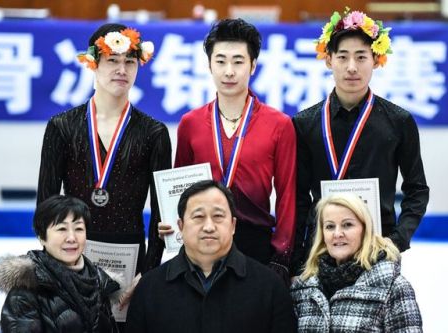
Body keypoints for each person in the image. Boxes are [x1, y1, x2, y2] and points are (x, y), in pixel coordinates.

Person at [37, 23, 172, 297]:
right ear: (92, 63)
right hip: (72, 256)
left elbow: (162, 213)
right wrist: (53, 267)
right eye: (112, 60)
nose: (122, 70)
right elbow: (46, 206)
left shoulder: (154, 133)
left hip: (130, 259)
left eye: (130, 62)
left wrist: (148, 273)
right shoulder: (62, 126)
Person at [291, 9, 429, 274]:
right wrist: (298, 256)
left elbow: (417, 190)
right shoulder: (304, 123)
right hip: (321, 252)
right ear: (328, 59)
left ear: (376, 60)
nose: (352, 67)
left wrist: (397, 241)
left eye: (361, 57)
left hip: (378, 251)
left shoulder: (399, 121)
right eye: (342, 57)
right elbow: (298, 198)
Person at [160, 18, 297, 282]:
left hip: (255, 243)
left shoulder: (279, 125)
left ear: (253, 66)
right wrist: (172, 225)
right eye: (221, 61)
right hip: (202, 239)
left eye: (238, 61)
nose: (229, 71)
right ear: (210, 65)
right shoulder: (191, 123)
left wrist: (282, 257)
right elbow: (180, 191)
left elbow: (287, 196)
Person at [126, 180, 297, 333]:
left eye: (218, 216)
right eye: (198, 217)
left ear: (233, 225)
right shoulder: (149, 289)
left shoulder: (270, 287)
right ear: (181, 225)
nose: (209, 226)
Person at [290, 193, 422, 332]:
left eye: (347, 225)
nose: (337, 233)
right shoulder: (303, 288)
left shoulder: (393, 287)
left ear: (365, 230)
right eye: (330, 226)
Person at [0, 195, 123, 332]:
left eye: (78, 229)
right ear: (42, 237)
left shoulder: (100, 282)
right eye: (61, 229)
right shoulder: (25, 290)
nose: (72, 238)